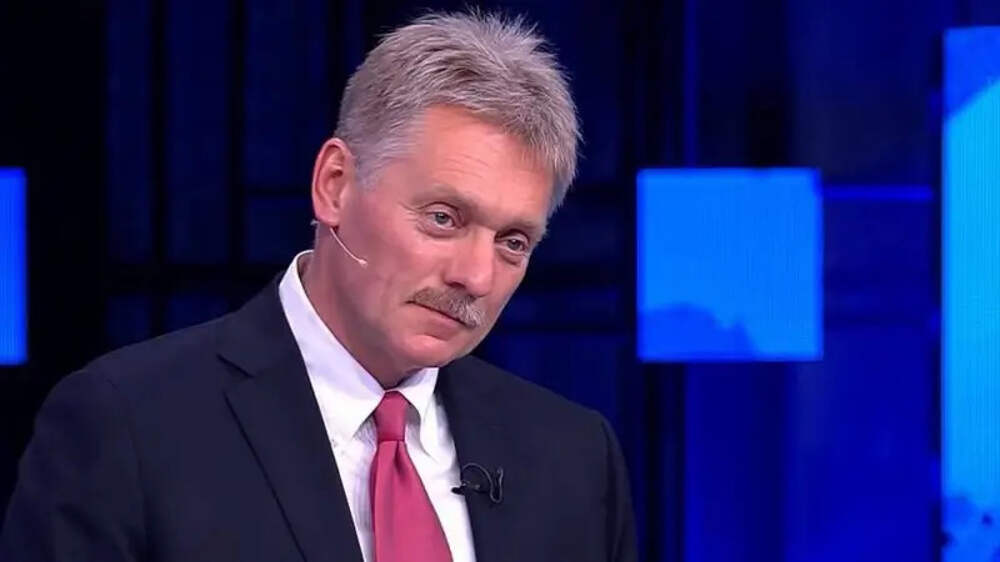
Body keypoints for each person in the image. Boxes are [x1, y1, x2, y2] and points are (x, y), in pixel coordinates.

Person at [0, 11, 636, 562]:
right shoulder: (127, 425)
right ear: (334, 185)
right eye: (443, 218)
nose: (475, 276)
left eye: (513, 242)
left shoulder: (575, 457)